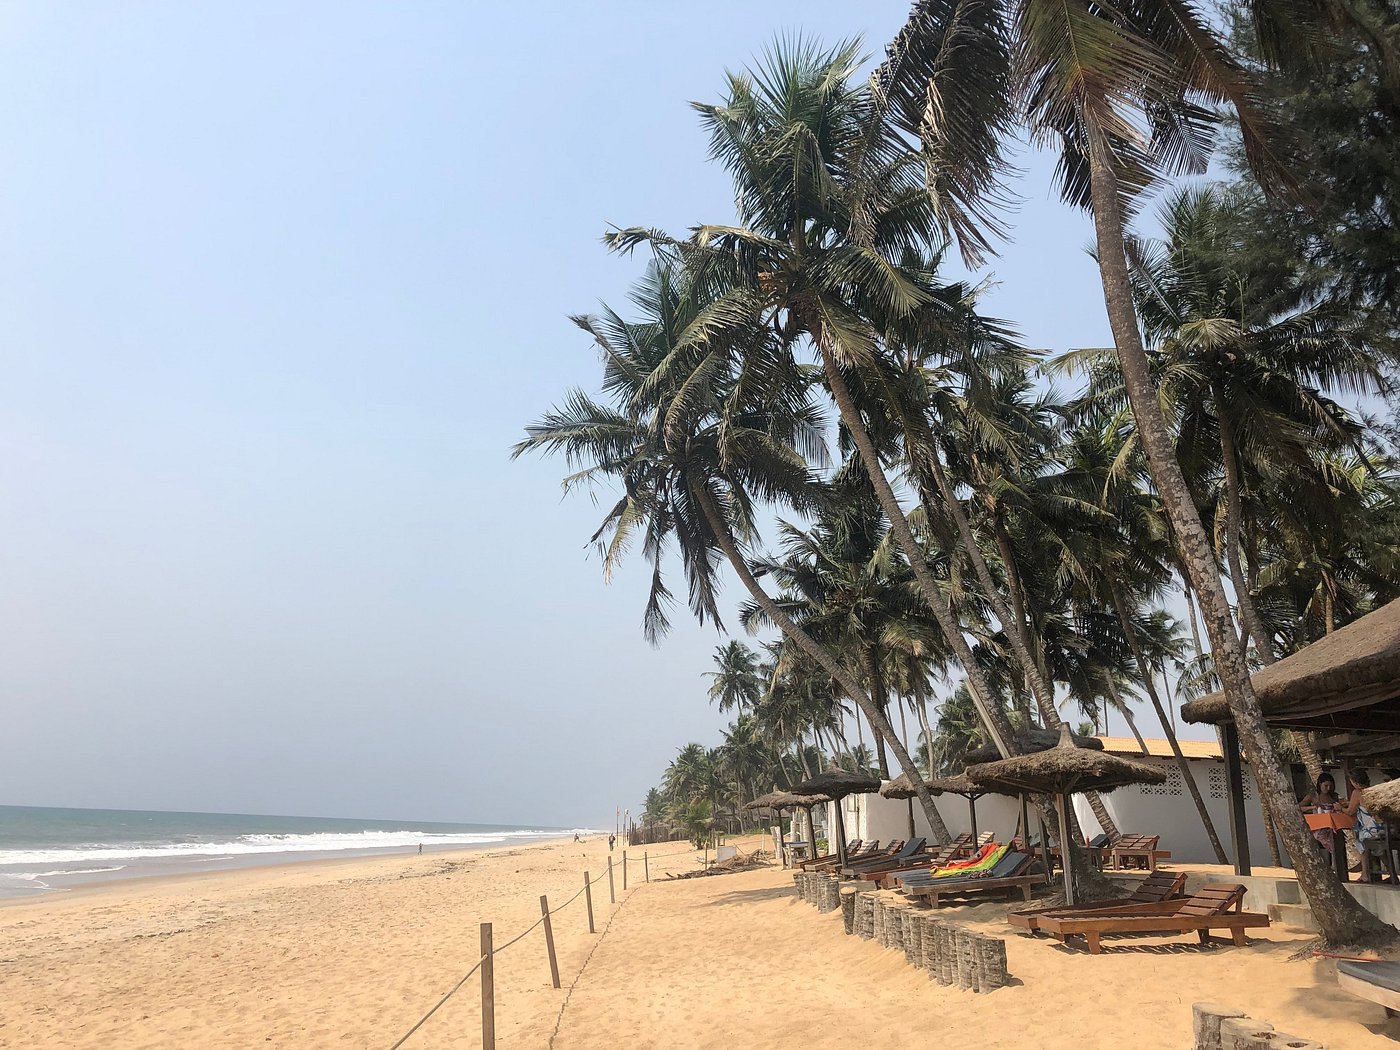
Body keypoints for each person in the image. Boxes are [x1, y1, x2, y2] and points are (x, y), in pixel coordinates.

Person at [1340, 769, 1387, 882]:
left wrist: (1340, 808)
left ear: (1355, 782)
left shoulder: (1357, 792)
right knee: (1379, 850)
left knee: (1360, 842)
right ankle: (1392, 874)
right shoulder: (1373, 790)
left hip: (1371, 830)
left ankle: (1365, 874)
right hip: (1381, 827)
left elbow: (1350, 811)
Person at [1300, 772, 1342, 854]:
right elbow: (1298, 808)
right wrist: (1313, 807)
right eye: (1326, 786)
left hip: (1333, 827)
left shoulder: (1334, 796)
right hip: (1319, 828)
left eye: (1330, 786)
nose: (1328, 788)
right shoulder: (1313, 797)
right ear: (1320, 784)